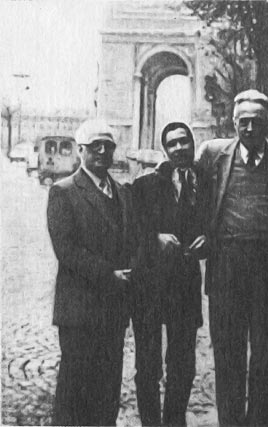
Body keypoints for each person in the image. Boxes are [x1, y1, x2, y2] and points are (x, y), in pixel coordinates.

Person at [197, 89, 268, 427]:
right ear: (234, 123)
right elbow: (193, 192)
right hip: (227, 266)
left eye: (256, 122)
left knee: (266, 354)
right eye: (243, 121)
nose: (249, 128)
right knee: (228, 355)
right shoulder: (213, 155)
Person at [47, 118, 135, 426]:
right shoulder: (64, 191)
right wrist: (109, 276)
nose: (101, 152)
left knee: (107, 392)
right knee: (74, 394)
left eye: (107, 146)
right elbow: (67, 250)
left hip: (113, 310)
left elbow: (131, 240)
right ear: (80, 150)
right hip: (79, 311)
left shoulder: (122, 193)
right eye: (94, 146)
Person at [130, 122, 210, 426]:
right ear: (165, 150)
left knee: (183, 364)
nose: (179, 148)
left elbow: (216, 221)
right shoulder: (145, 185)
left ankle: (174, 421)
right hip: (149, 285)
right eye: (172, 144)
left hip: (185, 285)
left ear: (192, 143)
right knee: (148, 366)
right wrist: (155, 238)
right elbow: (131, 230)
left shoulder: (207, 183)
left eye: (183, 141)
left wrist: (209, 240)